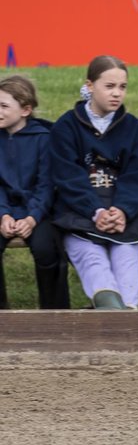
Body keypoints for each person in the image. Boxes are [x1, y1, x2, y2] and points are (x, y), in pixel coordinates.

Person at [50, 56, 138, 310]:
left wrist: (122, 210)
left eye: (122, 87)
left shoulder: (134, 128)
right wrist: (96, 211)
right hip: (79, 213)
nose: (117, 94)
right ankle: (111, 310)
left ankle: (123, 322)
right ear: (90, 86)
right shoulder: (66, 126)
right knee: (93, 261)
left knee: (127, 259)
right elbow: (68, 177)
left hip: (126, 215)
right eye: (109, 86)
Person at [0, 75, 69, 309]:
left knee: (46, 248)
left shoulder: (44, 139)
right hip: (5, 211)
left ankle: (53, 315)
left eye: (3, 106)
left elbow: (47, 185)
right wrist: (4, 215)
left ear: (25, 110)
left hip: (40, 211)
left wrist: (32, 218)